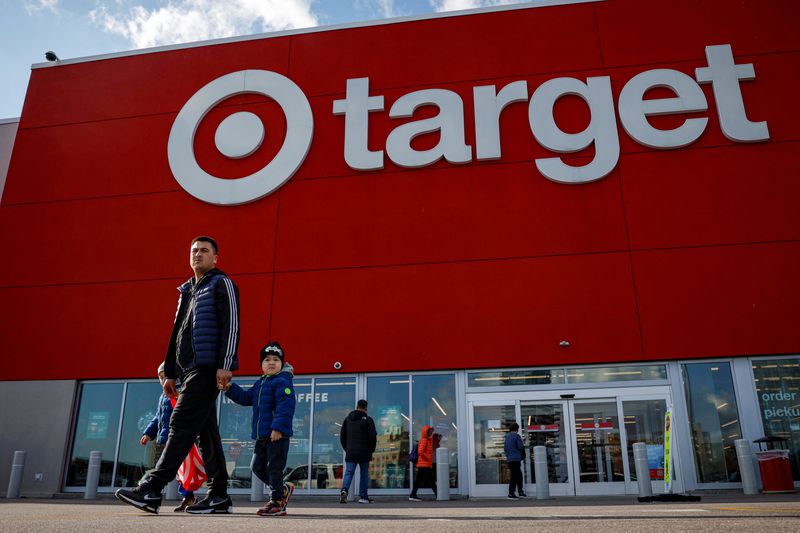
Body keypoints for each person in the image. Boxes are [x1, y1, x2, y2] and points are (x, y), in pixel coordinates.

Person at [116, 236, 239, 514]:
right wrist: (170, 372)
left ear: (215, 258)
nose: (198, 254)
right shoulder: (186, 290)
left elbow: (231, 325)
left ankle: (152, 488)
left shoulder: (222, 284)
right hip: (187, 372)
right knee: (207, 434)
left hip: (207, 368)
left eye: (204, 251)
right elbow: (176, 336)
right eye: (194, 250)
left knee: (181, 422)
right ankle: (219, 495)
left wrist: (226, 363)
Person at [224, 341, 297, 517]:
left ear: (282, 364)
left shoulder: (282, 382)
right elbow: (244, 398)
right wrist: (229, 388)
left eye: (275, 359)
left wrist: (278, 428)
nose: (271, 363)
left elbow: (285, 406)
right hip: (261, 436)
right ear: (261, 365)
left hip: (277, 435)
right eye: (267, 360)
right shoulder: (260, 384)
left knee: (274, 468)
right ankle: (283, 488)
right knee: (256, 466)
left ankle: (277, 502)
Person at [140, 362, 195, 512]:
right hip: (163, 439)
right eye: (160, 377)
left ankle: (186, 495)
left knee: (177, 470)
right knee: (165, 469)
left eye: (166, 376)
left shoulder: (180, 393)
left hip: (176, 439)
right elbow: (157, 417)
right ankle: (153, 493)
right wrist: (148, 433)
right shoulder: (163, 396)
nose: (163, 380)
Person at [339, 399, 377, 504]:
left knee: (349, 472)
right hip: (364, 451)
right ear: (366, 408)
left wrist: (347, 448)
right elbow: (372, 437)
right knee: (364, 474)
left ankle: (344, 490)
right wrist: (371, 450)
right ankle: (363, 497)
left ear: (357, 406)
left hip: (351, 451)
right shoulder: (368, 420)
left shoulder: (348, 419)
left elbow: (342, 436)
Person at [409, 425, 437, 501]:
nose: (431, 433)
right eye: (430, 431)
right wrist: (428, 458)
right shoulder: (424, 440)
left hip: (425, 464)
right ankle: (438, 495)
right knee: (430, 480)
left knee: (421, 480)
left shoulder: (427, 440)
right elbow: (420, 452)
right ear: (426, 432)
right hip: (424, 464)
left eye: (432, 431)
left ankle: (413, 494)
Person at [504, 422, 526, 499]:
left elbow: (505, 449)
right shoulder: (517, 437)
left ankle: (520, 491)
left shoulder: (507, 438)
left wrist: (508, 456)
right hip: (516, 459)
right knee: (515, 476)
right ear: (517, 429)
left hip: (510, 459)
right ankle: (511, 493)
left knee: (518, 475)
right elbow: (520, 446)